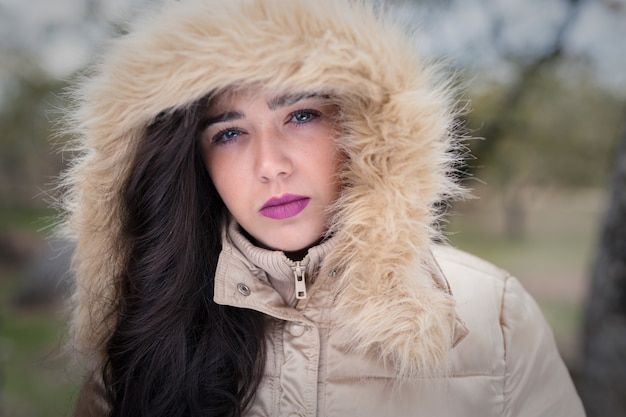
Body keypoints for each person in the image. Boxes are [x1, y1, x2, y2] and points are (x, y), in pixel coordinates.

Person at [58, 0, 586, 416]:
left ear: (369, 127)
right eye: (230, 132)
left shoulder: (494, 315)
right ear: (193, 160)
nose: (271, 164)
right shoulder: (145, 321)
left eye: (302, 115)